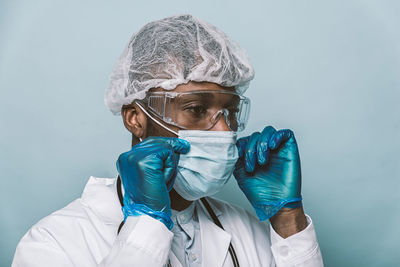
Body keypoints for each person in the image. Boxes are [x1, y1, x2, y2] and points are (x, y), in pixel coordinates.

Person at [12, 14, 324, 267]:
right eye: (197, 109)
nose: (223, 131)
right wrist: (146, 225)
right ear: (136, 118)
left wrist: (289, 222)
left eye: (229, 112)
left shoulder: (251, 232)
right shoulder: (54, 242)